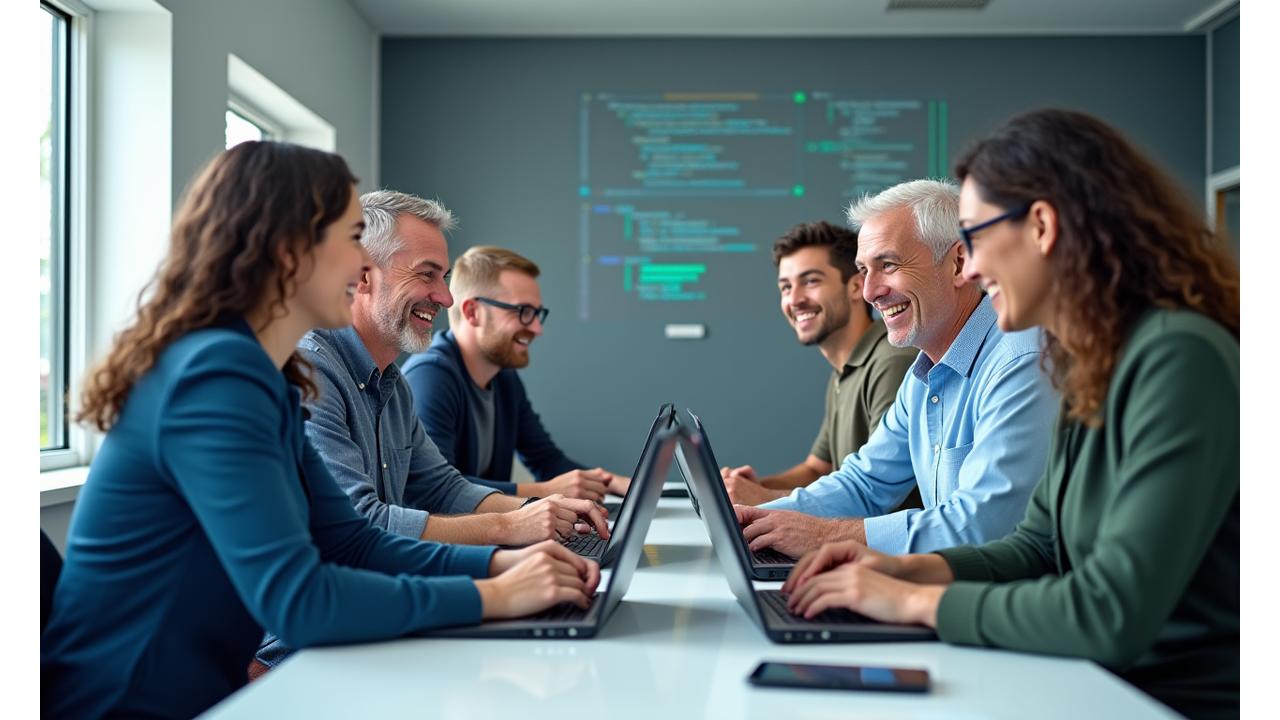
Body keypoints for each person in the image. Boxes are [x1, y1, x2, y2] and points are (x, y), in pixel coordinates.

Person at [40, 142, 599, 719]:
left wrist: (503, 565)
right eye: (353, 236)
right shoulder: (214, 375)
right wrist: (494, 595)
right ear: (289, 251)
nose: (363, 265)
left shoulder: (272, 378)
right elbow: (300, 600)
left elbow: (352, 541)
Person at [782, 109, 1239, 719]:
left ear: (1042, 227)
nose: (967, 267)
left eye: (973, 239)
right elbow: (1037, 544)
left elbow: (1111, 613)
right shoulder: (1093, 360)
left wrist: (914, 602)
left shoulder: (1178, 356)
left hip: (1160, 697)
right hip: (1091, 678)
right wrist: (902, 567)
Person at [735, 179, 1058, 558]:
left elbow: (983, 525)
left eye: (887, 265)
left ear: (958, 264)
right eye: (863, 270)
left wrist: (824, 536)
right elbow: (864, 484)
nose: (870, 292)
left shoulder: (1021, 359)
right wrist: (750, 521)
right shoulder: (923, 377)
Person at [401, 245, 630, 502]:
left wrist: (619, 484)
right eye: (523, 312)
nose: (536, 328)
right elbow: (436, 490)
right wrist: (545, 492)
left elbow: (546, 461)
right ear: (472, 312)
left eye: (537, 314)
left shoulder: (504, 379)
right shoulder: (430, 377)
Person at [718, 221, 918, 507]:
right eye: (786, 287)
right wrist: (747, 488)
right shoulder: (844, 371)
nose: (795, 300)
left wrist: (764, 498)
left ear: (855, 287)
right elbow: (816, 468)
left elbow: (877, 494)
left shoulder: (892, 363)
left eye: (811, 281)